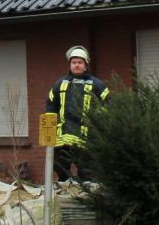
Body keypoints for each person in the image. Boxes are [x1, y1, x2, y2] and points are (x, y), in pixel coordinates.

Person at [45, 45, 110, 181]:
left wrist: (97, 120)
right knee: (59, 166)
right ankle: (66, 184)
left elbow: (109, 104)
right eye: (73, 62)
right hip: (62, 137)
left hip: (86, 138)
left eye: (80, 62)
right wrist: (49, 131)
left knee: (87, 172)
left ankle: (85, 189)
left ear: (86, 65)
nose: (76, 65)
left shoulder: (97, 85)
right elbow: (50, 106)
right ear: (69, 65)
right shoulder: (59, 85)